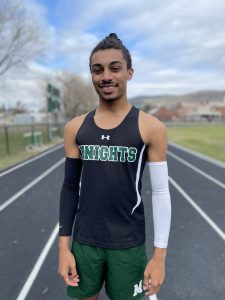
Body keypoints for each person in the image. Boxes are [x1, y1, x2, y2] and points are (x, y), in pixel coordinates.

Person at [58, 33, 171, 300]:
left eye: (115, 68)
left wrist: (159, 257)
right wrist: (64, 248)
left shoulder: (151, 127)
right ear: (92, 76)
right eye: (98, 70)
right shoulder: (75, 128)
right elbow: (70, 187)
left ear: (129, 73)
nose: (106, 76)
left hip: (128, 244)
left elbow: (161, 193)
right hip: (85, 242)